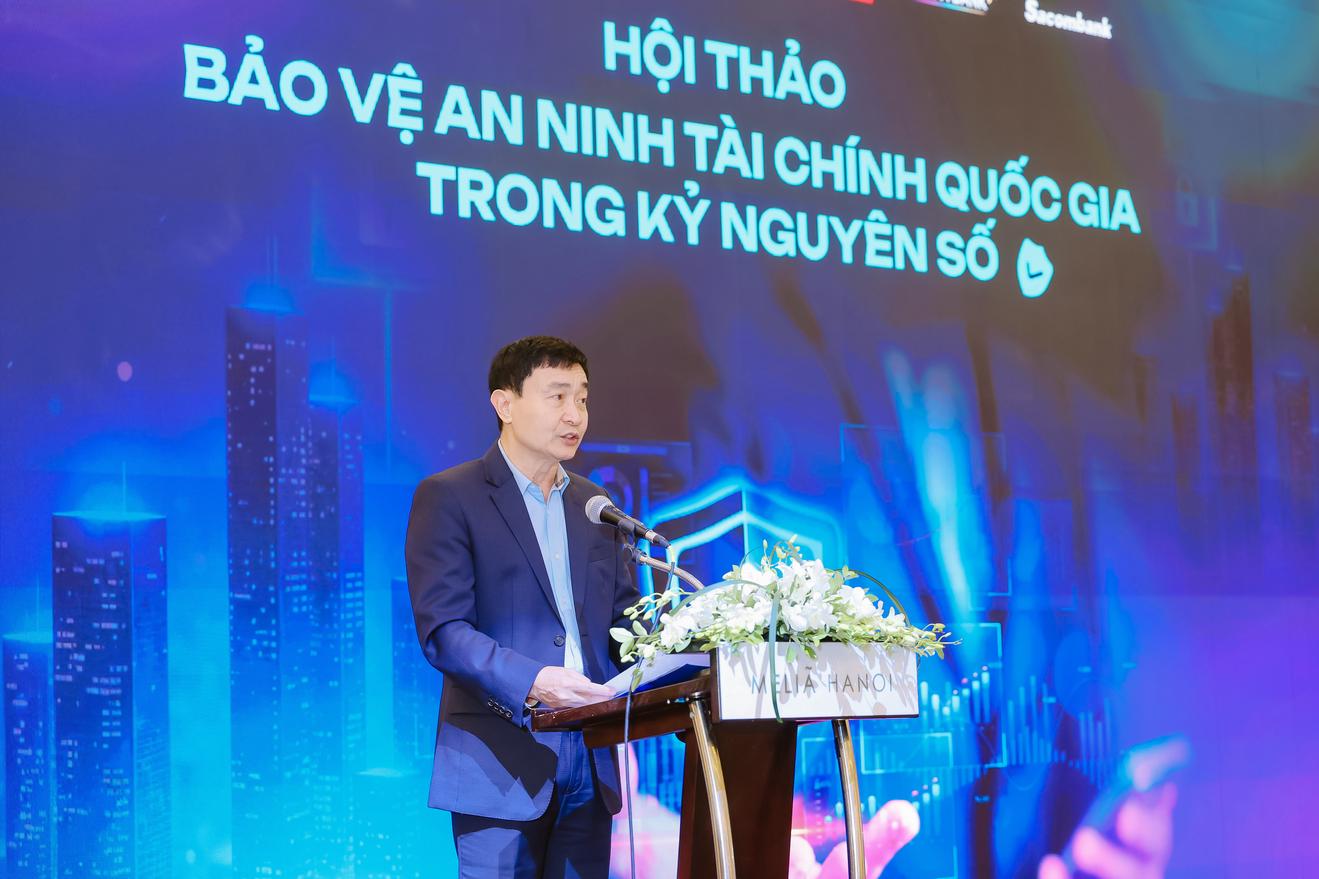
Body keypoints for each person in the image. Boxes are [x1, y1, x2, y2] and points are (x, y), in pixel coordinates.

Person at [405, 335, 640, 879]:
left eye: (582, 398)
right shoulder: (451, 495)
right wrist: (535, 681)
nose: (574, 414)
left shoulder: (594, 504)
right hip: (498, 758)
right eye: (557, 396)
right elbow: (444, 630)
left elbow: (625, 623)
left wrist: (694, 644)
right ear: (504, 404)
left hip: (591, 757)